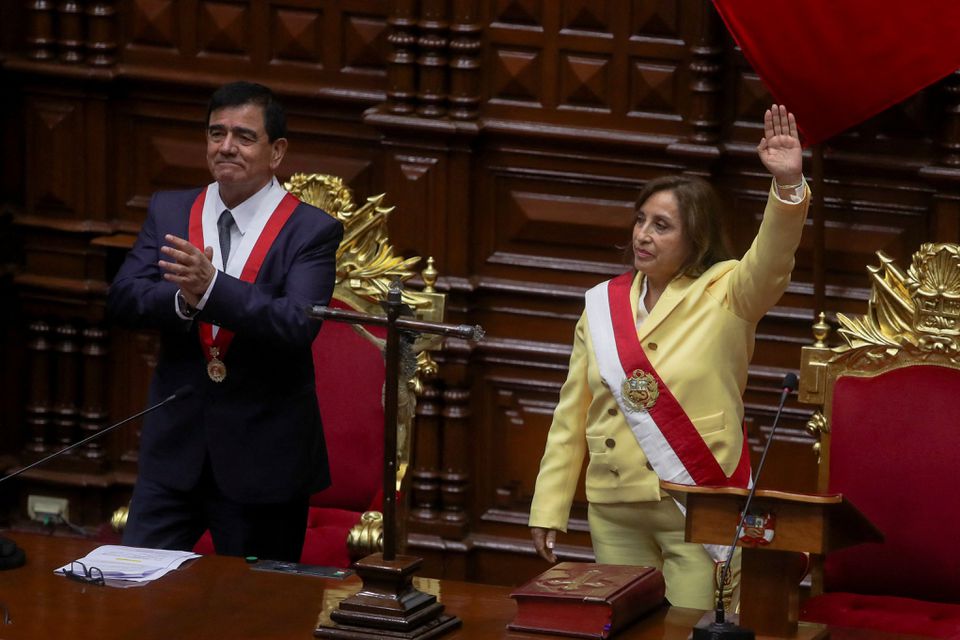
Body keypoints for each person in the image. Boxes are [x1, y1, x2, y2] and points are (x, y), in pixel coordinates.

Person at [528, 105, 808, 608]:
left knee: (695, 629)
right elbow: (571, 413)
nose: (642, 235)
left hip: (697, 503)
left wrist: (788, 188)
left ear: (694, 237)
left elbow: (772, 258)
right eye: (640, 221)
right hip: (614, 507)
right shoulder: (602, 305)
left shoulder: (728, 291)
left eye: (661, 226)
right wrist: (549, 505)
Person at [108, 81, 343, 562]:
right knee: (131, 593)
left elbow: (296, 325)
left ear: (276, 151)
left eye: (243, 135)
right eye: (217, 133)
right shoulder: (170, 209)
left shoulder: (311, 230)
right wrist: (185, 300)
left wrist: (211, 288)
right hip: (174, 453)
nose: (226, 146)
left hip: (264, 459)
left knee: (258, 617)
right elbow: (125, 298)